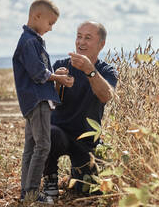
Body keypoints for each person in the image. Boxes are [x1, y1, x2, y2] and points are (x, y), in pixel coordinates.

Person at [43, 21, 117, 197]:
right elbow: (48, 103)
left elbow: (106, 96)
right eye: (79, 36)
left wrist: (89, 71)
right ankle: (50, 181)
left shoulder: (107, 70)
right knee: (49, 132)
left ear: (101, 44)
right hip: (58, 133)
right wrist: (57, 84)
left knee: (89, 191)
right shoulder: (61, 64)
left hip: (86, 140)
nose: (81, 42)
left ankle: (76, 175)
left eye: (88, 38)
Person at [12, 0, 74, 204]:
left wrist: (54, 74)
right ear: (37, 16)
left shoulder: (32, 40)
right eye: (50, 23)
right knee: (43, 146)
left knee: (31, 147)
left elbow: (39, 71)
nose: (51, 28)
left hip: (33, 101)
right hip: (38, 101)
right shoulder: (29, 41)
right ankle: (30, 192)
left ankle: (26, 194)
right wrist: (58, 78)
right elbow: (38, 73)